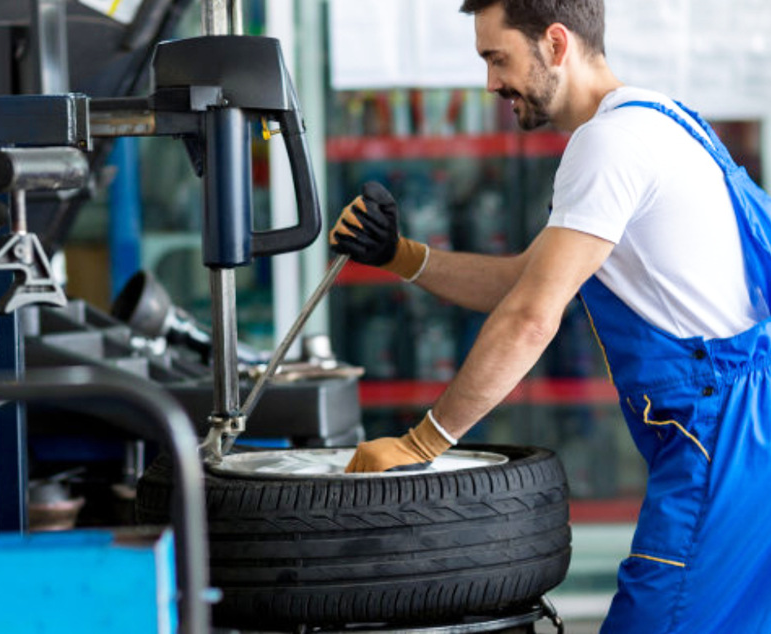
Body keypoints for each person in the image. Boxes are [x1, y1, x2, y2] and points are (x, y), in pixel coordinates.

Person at [329, 0, 771, 632]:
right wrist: (400, 256)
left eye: (497, 58)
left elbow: (533, 315)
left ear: (556, 44)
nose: (491, 84)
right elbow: (523, 282)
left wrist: (420, 444)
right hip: (749, 431)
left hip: (723, 445)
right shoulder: (662, 119)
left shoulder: (607, 145)